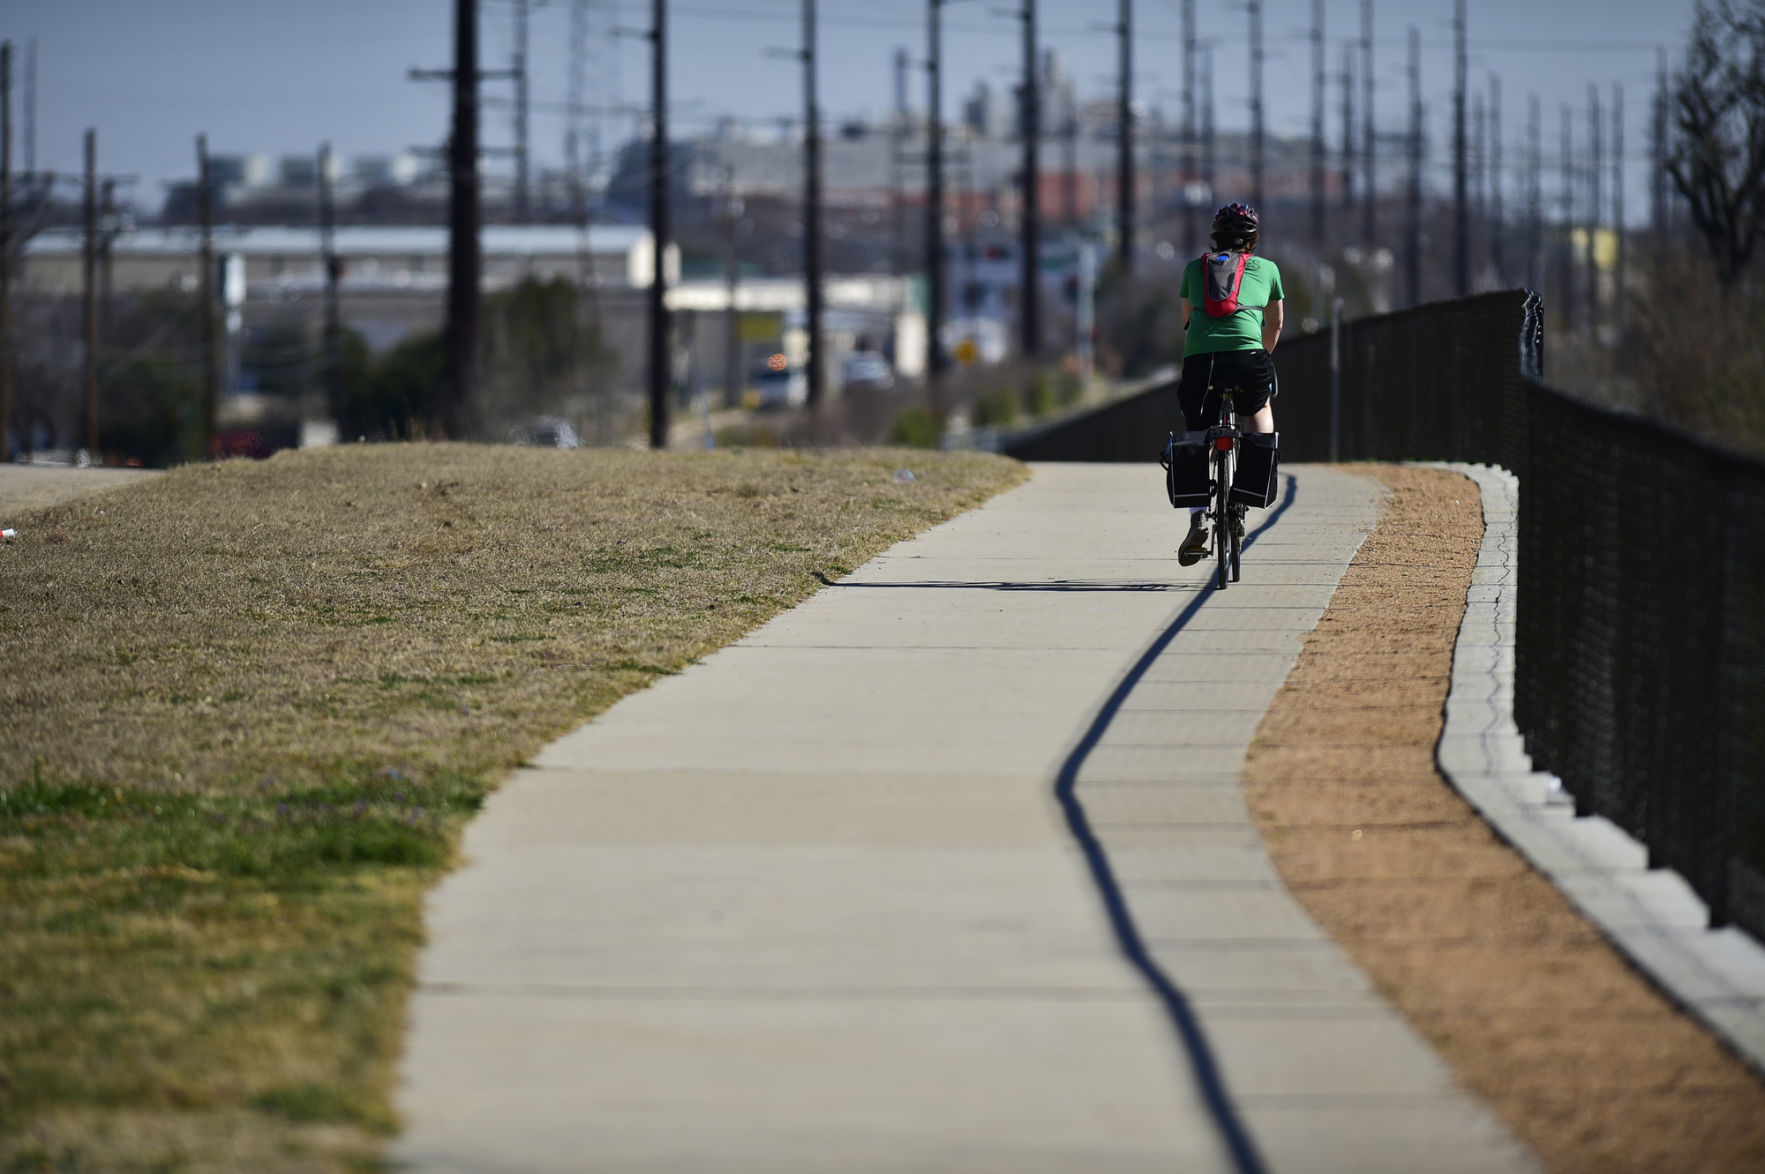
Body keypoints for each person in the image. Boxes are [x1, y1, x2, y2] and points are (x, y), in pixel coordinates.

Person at [1175, 202, 1284, 565]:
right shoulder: (1267, 269)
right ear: (1253, 241)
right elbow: (1276, 324)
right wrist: (1262, 356)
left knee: (1197, 435)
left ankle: (1196, 518)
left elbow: (1187, 322)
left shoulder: (1195, 269)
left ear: (1215, 236)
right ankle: (1247, 487)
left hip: (1201, 363)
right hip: (1248, 358)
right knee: (1259, 408)